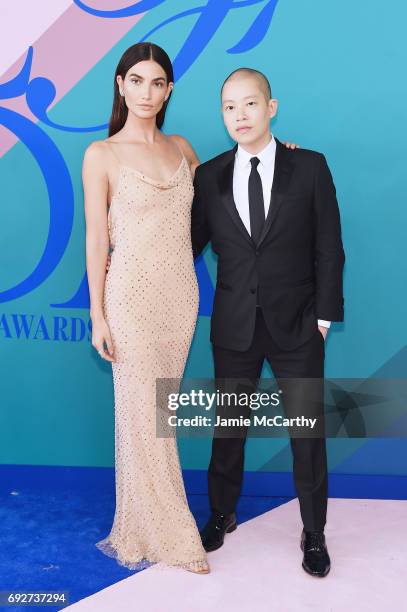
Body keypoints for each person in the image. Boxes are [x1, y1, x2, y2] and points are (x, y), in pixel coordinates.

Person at [192, 68, 345, 577]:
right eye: (230, 107)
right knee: (228, 428)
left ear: (271, 107)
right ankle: (221, 513)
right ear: (223, 114)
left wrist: (323, 318)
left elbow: (329, 248)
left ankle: (315, 532)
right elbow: (187, 247)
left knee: (307, 433)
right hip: (234, 325)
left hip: (298, 325)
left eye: (250, 104)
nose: (240, 115)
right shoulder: (209, 175)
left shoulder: (310, 167)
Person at [82, 42, 211, 574]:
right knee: (145, 416)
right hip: (130, 299)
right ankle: (173, 533)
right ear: (120, 84)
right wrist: (98, 315)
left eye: (157, 83)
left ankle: (143, 522)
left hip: (180, 298)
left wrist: (275, 157)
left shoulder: (183, 149)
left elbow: (224, 201)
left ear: (169, 90)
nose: (146, 92)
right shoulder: (101, 155)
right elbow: (95, 240)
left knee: (160, 414)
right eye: (136, 80)